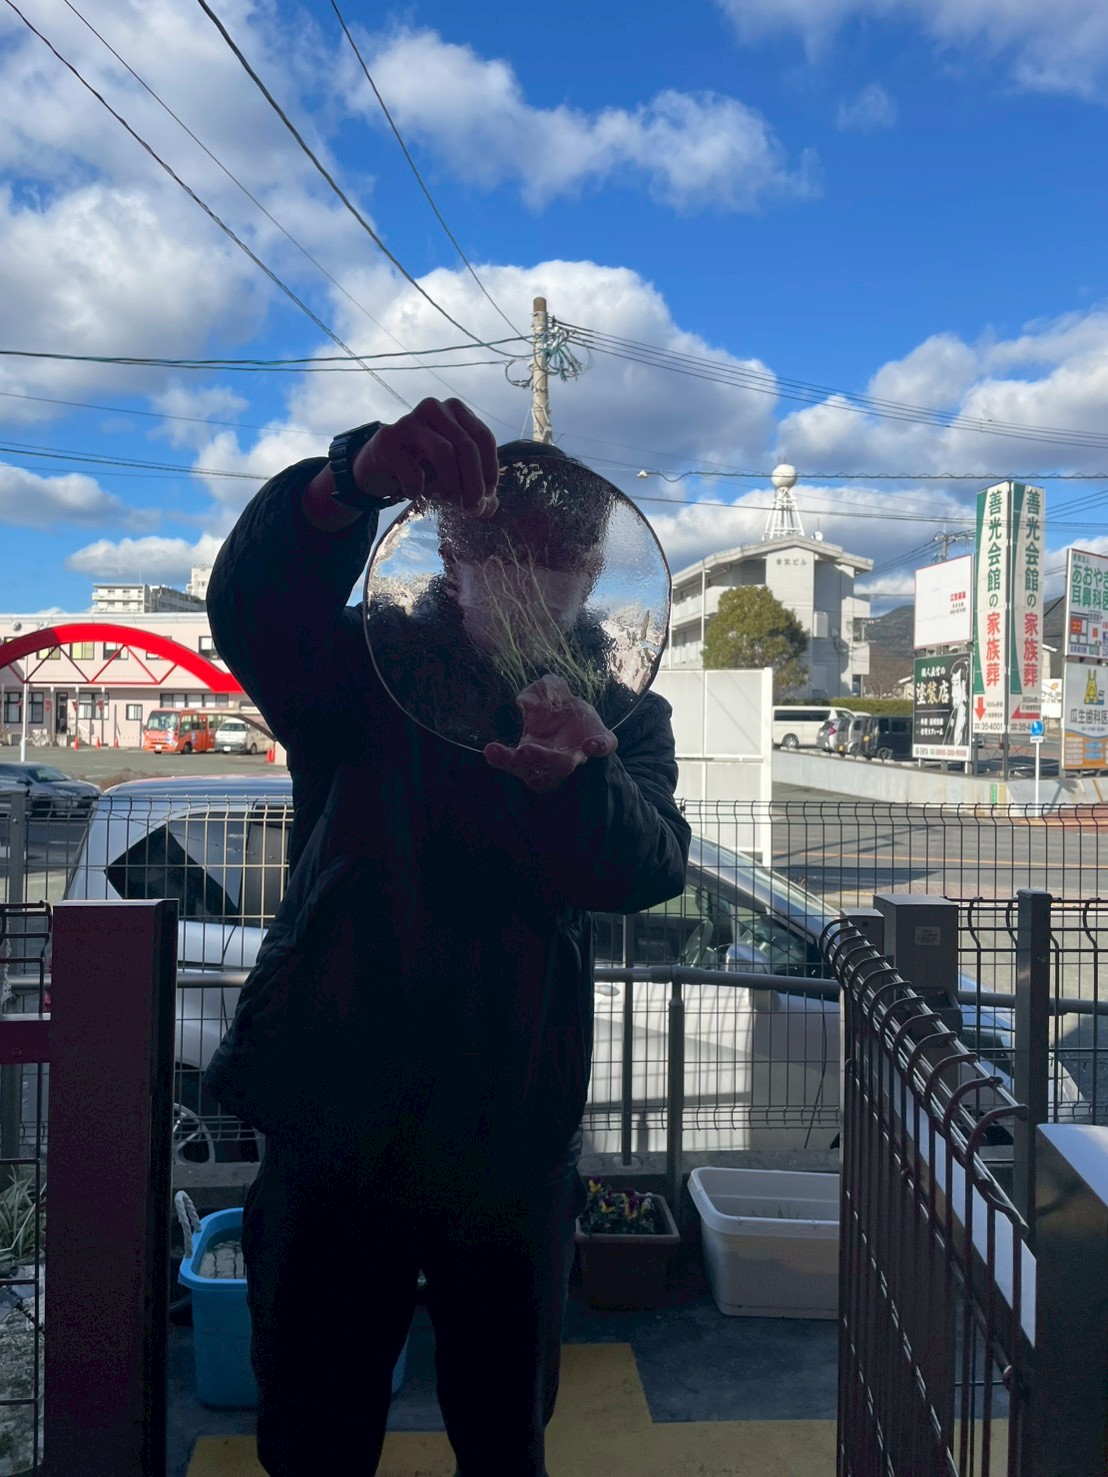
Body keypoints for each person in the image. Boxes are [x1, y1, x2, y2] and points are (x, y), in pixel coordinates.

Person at [203, 397, 691, 1477]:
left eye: (559, 562)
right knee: (314, 1437)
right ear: (451, 555)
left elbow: (648, 864)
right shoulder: (359, 664)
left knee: (504, 1438)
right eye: (505, 554)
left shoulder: (622, 713)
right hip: (333, 1112)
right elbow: (251, 609)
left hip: (511, 1133)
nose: (531, 581)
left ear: (591, 573)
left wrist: (584, 777)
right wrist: (345, 482)